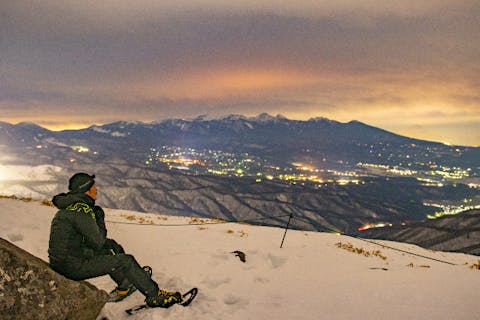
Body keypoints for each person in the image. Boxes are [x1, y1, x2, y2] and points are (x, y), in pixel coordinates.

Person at [48, 172, 182, 307]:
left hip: (64, 262)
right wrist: (99, 217)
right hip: (72, 267)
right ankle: (155, 296)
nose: (96, 190)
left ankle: (125, 284)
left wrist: (111, 244)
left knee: (111, 247)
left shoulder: (69, 208)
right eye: (94, 187)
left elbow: (87, 240)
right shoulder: (81, 210)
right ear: (86, 190)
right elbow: (98, 242)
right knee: (126, 260)